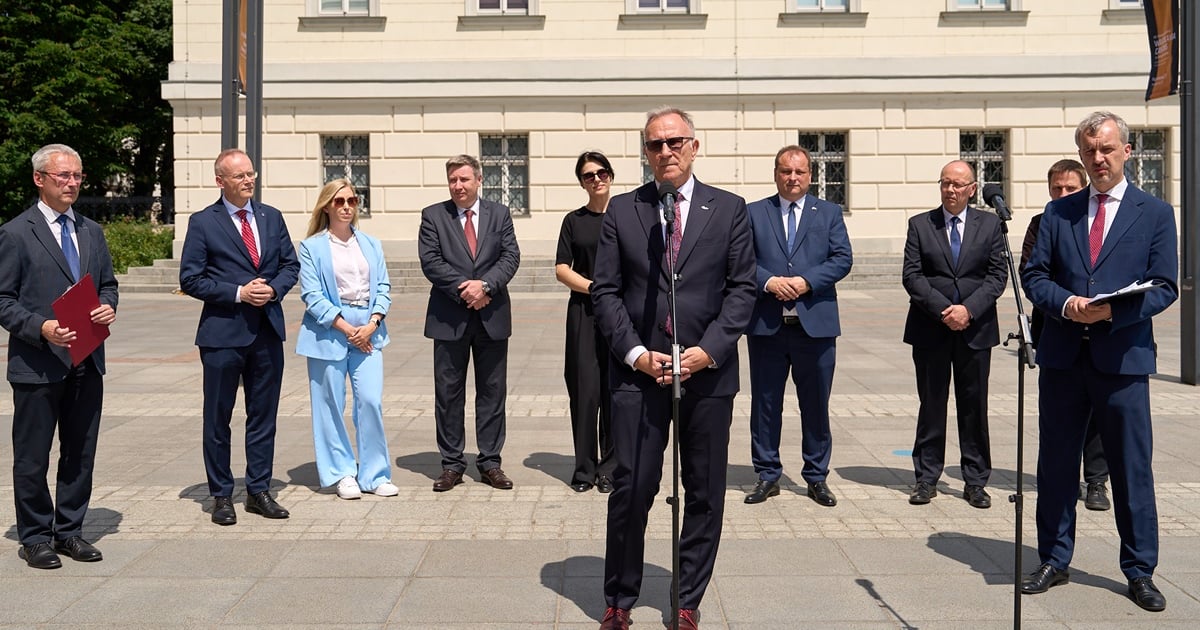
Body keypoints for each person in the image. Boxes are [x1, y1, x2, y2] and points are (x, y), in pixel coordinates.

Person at [592, 107, 756, 630]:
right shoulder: (624, 211)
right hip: (640, 375)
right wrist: (637, 354)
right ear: (645, 153)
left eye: (674, 142)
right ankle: (619, 597)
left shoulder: (729, 209)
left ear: (694, 145)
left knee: (704, 492)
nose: (665, 152)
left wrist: (708, 350)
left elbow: (742, 289)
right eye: (654, 145)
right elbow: (606, 292)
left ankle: (686, 597)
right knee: (633, 487)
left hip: (706, 374)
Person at [1021, 111, 1178, 612]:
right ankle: (1053, 557)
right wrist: (1066, 304)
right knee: (1057, 466)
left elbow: (1166, 285)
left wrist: (1116, 311)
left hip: (1123, 358)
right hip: (1065, 358)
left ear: (1127, 151)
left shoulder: (1153, 212)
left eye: (1107, 149)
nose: (1098, 159)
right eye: (1090, 151)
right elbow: (1035, 274)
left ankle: (1139, 570)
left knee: (1132, 470)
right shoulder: (1058, 213)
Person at [0, 144, 118, 569]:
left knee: (79, 452)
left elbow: (108, 284)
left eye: (77, 176)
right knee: (32, 457)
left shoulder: (91, 231)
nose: (72, 183)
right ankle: (34, 536)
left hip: (87, 360)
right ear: (39, 179)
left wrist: (109, 305)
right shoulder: (15, 233)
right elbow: (3, 299)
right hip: (37, 364)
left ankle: (69, 531)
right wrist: (41, 327)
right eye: (62, 176)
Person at [179, 148, 300, 525]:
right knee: (218, 417)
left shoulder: (271, 217)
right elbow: (191, 278)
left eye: (251, 173)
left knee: (263, 416)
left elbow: (289, 265)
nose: (249, 180)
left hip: (266, 331)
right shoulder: (203, 222)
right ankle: (221, 496)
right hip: (222, 336)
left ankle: (258, 490)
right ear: (220, 181)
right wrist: (238, 292)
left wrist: (274, 290)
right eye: (240, 176)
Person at [743, 145, 852, 507]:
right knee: (765, 404)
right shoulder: (754, 212)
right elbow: (740, 260)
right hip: (767, 326)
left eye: (799, 172)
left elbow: (842, 258)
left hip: (815, 326)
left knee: (815, 404)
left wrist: (806, 281)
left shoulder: (830, 212)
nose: (793, 178)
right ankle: (767, 474)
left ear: (809, 175)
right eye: (786, 171)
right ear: (776, 173)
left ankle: (816, 476)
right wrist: (768, 281)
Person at [901, 160, 1007, 509]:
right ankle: (926, 478)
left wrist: (968, 310)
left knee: (973, 406)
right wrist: (945, 310)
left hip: (975, 329)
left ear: (972, 189)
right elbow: (912, 276)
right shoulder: (920, 225)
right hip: (931, 327)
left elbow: (996, 277)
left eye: (958, 185)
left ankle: (975, 480)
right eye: (945, 183)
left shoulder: (991, 225)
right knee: (931, 404)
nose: (950, 190)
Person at [419, 154, 521, 492]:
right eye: (452, 180)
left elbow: (510, 256)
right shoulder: (434, 215)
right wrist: (468, 290)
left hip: (492, 315)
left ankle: (490, 462)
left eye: (464, 179)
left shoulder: (500, 214)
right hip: (449, 317)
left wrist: (487, 285)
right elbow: (431, 261)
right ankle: (451, 464)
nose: (458, 186)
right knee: (448, 394)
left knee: (492, 392)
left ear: (479, 180)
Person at [295, 179, 396, 500]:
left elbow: (384, 287)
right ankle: (341, 472)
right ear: (326, 206)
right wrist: (345, 327)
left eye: (352, 200)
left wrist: (373, 322)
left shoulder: (371, 243)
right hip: (328, 331)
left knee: (370, 400)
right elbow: (311, 295)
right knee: (330, 405)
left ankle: (374, 473)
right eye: (339, 201)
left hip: (369, 329)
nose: (347, 206)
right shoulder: (311, 247)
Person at [1019, 159, 1110, 512]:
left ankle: (1098, 481)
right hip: (1057, 330)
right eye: (1056, 188)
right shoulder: (1043, 223)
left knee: (1099, 417)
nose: (1062, 193)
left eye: (1070, 188)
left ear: (1083, 186)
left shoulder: (1099, 222)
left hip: (1104, 331)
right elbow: (1032, 271)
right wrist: (1067, 301)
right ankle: (1064, 480)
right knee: (1062, 416)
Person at [555, 151, 617, 494]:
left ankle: (609, 469)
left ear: (610, 175)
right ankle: (584, 470)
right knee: (584, 391)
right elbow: (562, 267)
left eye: (601, 172)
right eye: (588, 175)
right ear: (582, 182)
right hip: (584, 312)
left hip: (620, 315)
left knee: (614, 392)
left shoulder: (626, 215)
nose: (596, 179)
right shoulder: (573, 221)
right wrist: (596, 288)